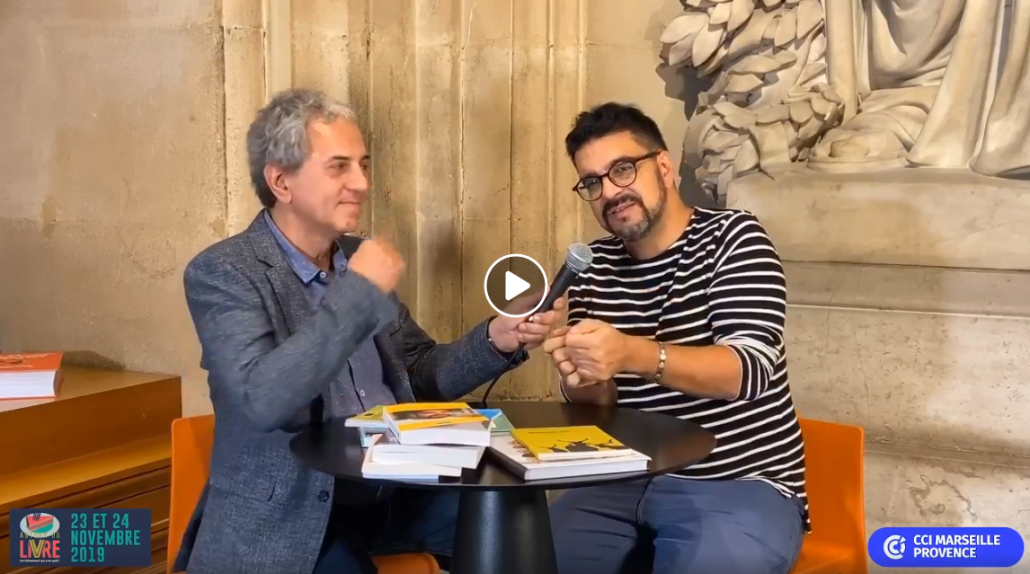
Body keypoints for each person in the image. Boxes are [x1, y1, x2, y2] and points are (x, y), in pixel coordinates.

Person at [175, 88, 563, 574]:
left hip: (396, 493)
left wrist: (496, 338)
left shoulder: (357, 258)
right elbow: (264, 399)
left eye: (363, 164)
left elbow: (418, 374)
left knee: (513, 511)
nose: (361, 182)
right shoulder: (225, 272)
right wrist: (358, 293)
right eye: (339, 167)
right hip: (296, 511)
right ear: (281, 181)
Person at [542, 102, 808, 574]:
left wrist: (631, 352)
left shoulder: (734, 237)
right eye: (593, 182)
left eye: (622, 170)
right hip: (620, 480)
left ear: (663, 166)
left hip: (738, 480)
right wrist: (580, 370)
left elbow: (745, 373)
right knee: (524, 557)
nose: (610, 192)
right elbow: (595, 408)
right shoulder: (591, 268)